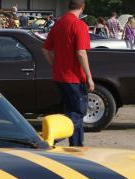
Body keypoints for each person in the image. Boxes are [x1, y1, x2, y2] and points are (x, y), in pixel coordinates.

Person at [42, 0, 93, 147]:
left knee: (72, 111)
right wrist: (89, 77)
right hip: (74, 78)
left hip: (60, 76)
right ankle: (50, 138)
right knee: (78, 114)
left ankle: (76, 147)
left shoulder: (58, 23)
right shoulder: (79, 25)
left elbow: (45, 49)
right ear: (82, 8)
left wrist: (56, 64)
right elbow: (81, 53)